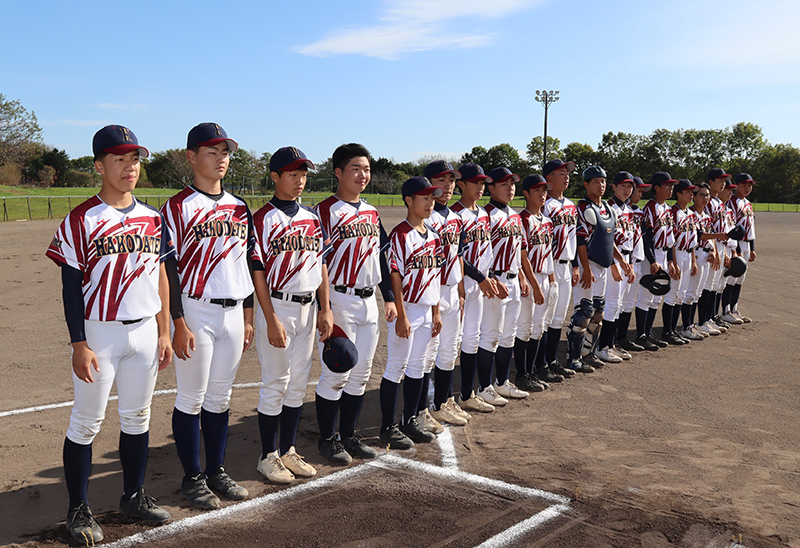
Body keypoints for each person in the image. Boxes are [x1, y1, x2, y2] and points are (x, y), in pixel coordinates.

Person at [46, 125, 173, 543]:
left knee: (138, 418)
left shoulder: (153, 217)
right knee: (86, 422)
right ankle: (78, 509)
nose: (129, 167)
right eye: (119, 159)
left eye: (134, 159)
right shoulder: (82, 218)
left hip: (145, 331)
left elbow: (160, 277)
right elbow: (70, 286)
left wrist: (165, 330)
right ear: (99, 166)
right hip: (99, 333)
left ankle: (133, 495)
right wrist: (78, 343)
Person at [161, 123, 253, 510]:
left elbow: (246, 262)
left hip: (233, 312)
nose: (221, 159)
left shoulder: (239, 207)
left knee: (220, 397)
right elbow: (168, 269)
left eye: (225, 152)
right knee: (192, 397)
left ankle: (216, 470)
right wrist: (178, 321)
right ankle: (192, 477)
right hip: (196, 309)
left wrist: (247, 317)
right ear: (191, 157)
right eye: (212, 152)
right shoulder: (177, 206)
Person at [252, 147, 334, 484]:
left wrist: (325, 307)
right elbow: (257, 271)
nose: (300, 180)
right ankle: (267, 456)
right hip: (278, 305)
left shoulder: (312, 217)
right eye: (292, 174)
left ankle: (287, 449)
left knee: (298, 384)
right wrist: (270, 318)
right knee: (276, 382)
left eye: (303, 174)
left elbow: (321, 264)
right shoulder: (263, 218)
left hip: (308, 307)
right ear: (275, 176)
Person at [313, 143, 396, 465]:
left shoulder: (372, 212)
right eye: (356, 169)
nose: (363, 175)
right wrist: (324, 307)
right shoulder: (324, 211)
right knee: (337, 372)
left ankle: (348, 434)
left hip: (368, 300)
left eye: (367, 170)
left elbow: (381, 257)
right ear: (338, 172)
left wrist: (389, 297)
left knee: (361, 374)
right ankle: (327, 438)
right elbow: (316, 262)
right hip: (339, 298)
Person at [380, 176, 444, 449]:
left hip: (427, 309)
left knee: (418, 366)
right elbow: (395, 275)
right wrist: (402, 314)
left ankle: (409, 420)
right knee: (396, 367)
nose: (430, 203)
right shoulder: (400, 234)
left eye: (432, 198)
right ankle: (388, 426)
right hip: (408, 309)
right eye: (424, 198)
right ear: (409, 200)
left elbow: (436, 276)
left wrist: (437, 312)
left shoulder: (434, 236)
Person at [476, 167, 542, 405]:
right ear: (491, 188)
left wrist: (523, 276)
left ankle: (502, 382)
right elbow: (482, 254)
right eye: (504, 184)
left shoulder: (515, 216)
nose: (510, 188)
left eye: (512, 184)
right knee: (490, 336)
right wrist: (493, 278)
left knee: (508, 336)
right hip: (496, 281)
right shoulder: (486, 215)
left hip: (513, 280)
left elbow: (520, 251)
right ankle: (484, 387)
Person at [421, 161, 474, 428]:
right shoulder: (425, 217)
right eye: (441, 180)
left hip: (453, 290)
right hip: (433, 292)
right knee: (427, 354)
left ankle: (443, 403)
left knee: (449, 351)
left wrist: (461, 290)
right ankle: (421, 410)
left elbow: (459, 256)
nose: (448, 186)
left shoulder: (456, 218)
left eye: (451, 181)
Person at [450, 164, 505, 414]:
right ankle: (443, 398)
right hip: (461, 283)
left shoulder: (483, 213)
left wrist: (490, 277)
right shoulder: (455, 214)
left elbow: (486, 252)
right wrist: (480, 278)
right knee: (453, 343)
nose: (480, 187)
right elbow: (457, 256)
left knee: (472, 340)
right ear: (461, 184)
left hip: (480, 284)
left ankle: (467, 394)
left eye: (483, 183)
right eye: (476, 182)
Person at [566, 166, 633, 371]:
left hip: (603, 266)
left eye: (603, 181)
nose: (600, 185)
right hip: (588, 265)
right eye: (595, 181)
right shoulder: (583, 208)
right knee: (583, 313)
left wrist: (621, 261)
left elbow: (609, 240)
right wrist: (585, 268)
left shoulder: (608, 209)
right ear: (585, 184)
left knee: (598, 313)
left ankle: (589, 352)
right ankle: (574, 357)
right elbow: (581, 241)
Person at [515, 174, 555, 391]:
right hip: (531, 279)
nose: (542, 194)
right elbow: (523, 257)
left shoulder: (547, 221)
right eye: (537, 190)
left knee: (538, 328)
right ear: (526, 193)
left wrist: (552, 281)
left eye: (545, 190)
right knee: (525, 328)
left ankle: (531, 371)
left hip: (545, 277)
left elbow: (549, 253)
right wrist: (534, 285)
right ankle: (521, 374)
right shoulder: (522, 219)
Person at [541, 159, 580, 381]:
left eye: (567, 173)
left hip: (566, 265)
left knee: (558, 318)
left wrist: (575, 265)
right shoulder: (545, 205)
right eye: (561, 173)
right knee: (545, 318)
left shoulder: (571, 205)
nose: (566, 177)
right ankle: (540, 364)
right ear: (549, 178)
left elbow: (574, 238)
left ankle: (552, 360)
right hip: (551, 266)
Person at [596, 171, 637, 362]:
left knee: (619, 305)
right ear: (613, 187)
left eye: (630, 186)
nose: (627, 190)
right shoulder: (608, 208)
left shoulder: (628, 210)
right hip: (613, 259)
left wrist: (631, 264)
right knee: (612, 304)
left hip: (626, 259)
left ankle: (611, 345)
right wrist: (613, 264)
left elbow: (633, 238)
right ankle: (602, 347)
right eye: (623, 186)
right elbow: (605, 240)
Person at [634, 172, 678, 348]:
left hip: (663, 254)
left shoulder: (667, 208)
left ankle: (648, 333)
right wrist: (652, 260)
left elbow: (670, 238)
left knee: (657, 298)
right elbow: (647, 237)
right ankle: (641, 335)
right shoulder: (650, 208)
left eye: (671, 185)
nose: (671, 188)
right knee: (646, 296)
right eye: (667, 185)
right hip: (651, 256)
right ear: (657, 188)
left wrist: (671, 260)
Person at [617, 176, 655, 352]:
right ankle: (610, 340)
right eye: (638, 190)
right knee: (616, 304)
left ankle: (622, 338)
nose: (640, 194)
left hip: (635, 261)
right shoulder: (618, 210)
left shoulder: (638, 212)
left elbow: (644, 238)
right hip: (623, 261)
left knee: (628, 303)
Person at [662, 179, 700, 344]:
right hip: (677, 253)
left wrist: (694, 261)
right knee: (672, 295)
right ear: (678, 194)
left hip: (688, 255)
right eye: (688, 192)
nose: (691, 195)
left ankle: (673, 330)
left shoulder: (691, 213)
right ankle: (667, 331)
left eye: (692, 192)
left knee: (681, 295)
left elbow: (693, 240)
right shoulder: (673, 212)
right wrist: (674, 262)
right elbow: (671, 241)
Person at [722, 173, 757, 323]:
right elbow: (733, 228)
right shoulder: (732, 202)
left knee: (739, 280)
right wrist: (736, 251)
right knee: (731, 279)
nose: (747, 188)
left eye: (749, 186)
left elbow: (751, 227)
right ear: (736, 186)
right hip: (736, 245)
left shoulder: (748, 203)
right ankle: (725, 311)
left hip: (746, 244)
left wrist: (752, 248)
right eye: (744, 185)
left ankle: (734, 309)